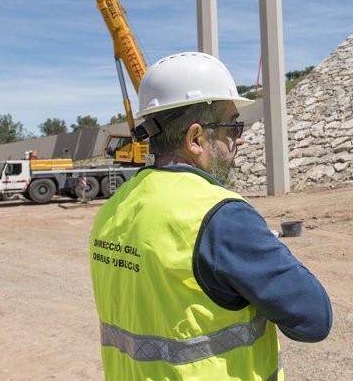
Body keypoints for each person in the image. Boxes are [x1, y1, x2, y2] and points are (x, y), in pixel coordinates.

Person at [89, 52, 332, 380]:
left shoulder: (114, 208)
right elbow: (314, 319)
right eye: (233, 125)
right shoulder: (221, 217)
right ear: (195, 139)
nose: (241, 137)